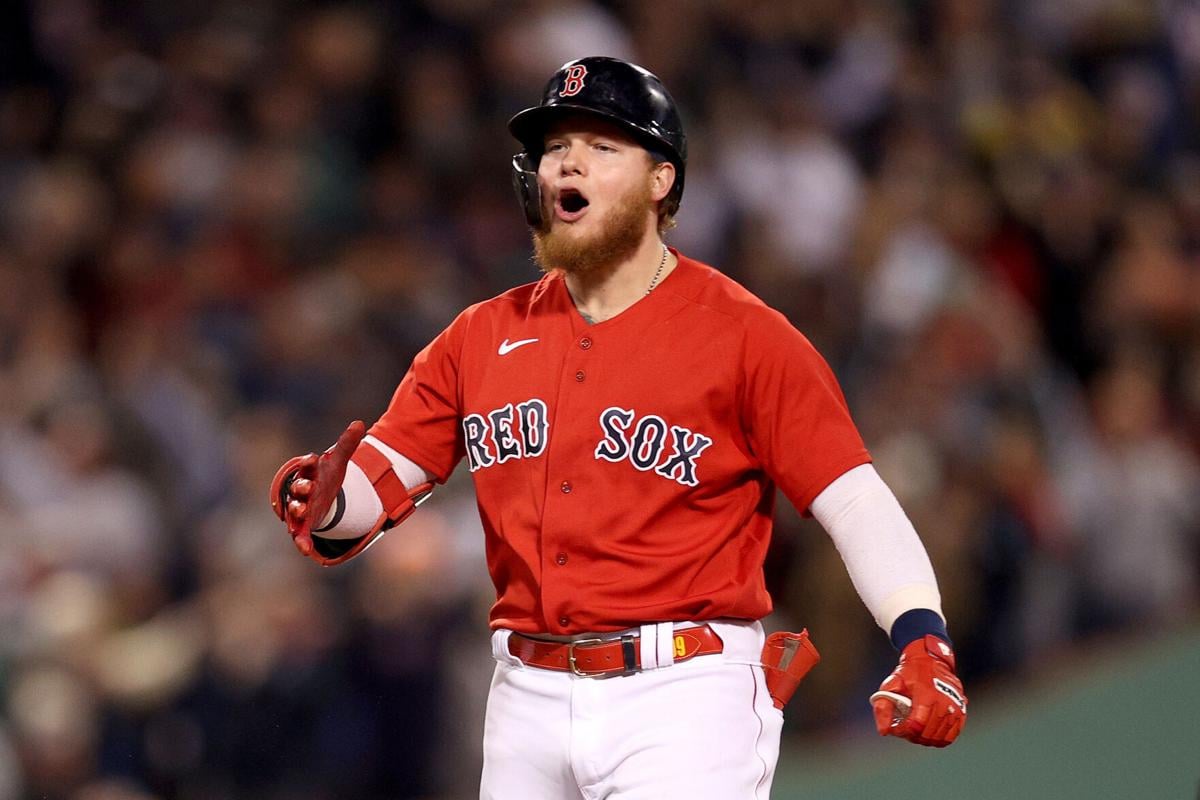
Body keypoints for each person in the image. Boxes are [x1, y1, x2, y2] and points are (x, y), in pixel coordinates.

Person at [270, 56, 966, 799]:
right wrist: (328, 501)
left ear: (660, 180)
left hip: (684, 696)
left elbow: (853, 499)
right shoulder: (478, 337)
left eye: (602, 146)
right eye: (557, 146)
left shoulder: (746, 336)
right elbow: (370, 491)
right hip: (523, 698)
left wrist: (922, 635)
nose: (569, 160)